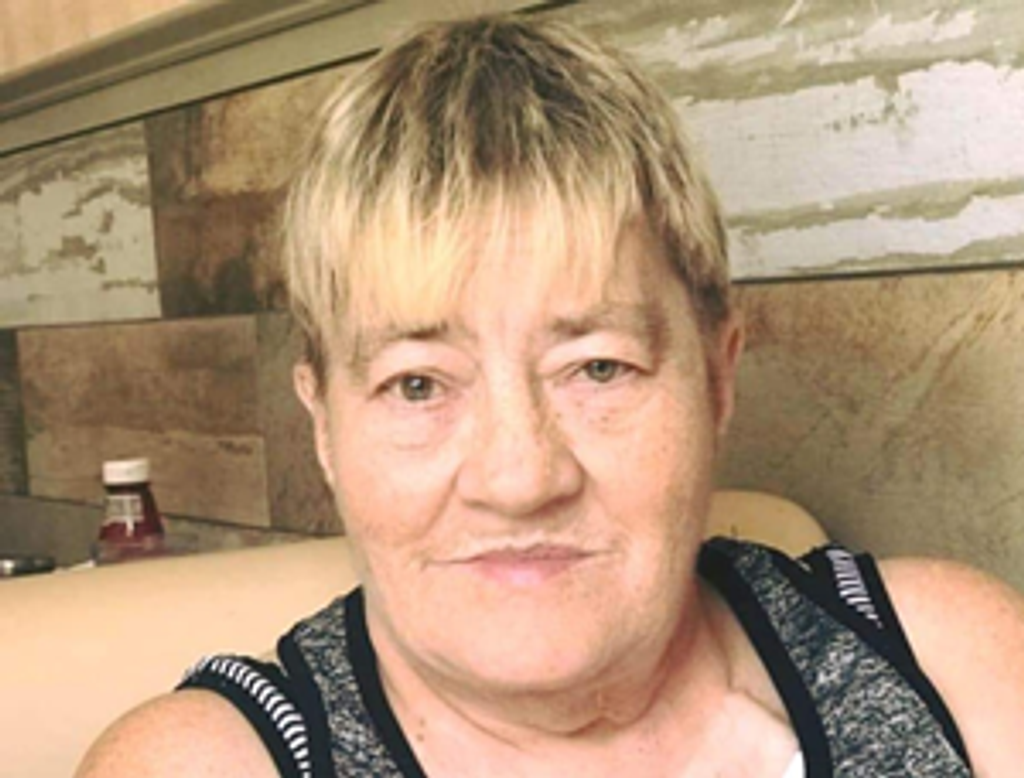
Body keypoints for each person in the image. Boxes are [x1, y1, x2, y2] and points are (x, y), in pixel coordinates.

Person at [77, 14, 1024, 778]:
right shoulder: (200, 764)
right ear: (323, 425)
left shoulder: (952, 661)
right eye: (417, 384)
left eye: (598, 368)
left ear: (717, 377)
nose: (521, 478)